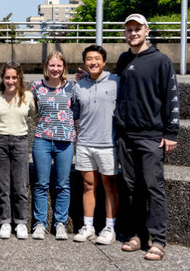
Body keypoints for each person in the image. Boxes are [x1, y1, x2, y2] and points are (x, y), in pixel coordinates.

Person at [116, 14, 179, 261]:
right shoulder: (123, 60)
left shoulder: (161, 60)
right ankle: (137, 234)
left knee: (153, 187)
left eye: (137, 29)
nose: (133, 33)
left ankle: (159, 240)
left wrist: (171, 132)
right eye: (129, 29)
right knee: (131, 188)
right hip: (126, 135)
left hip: (151, 135)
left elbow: (171, 96)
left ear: (146, 31)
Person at [71, 45, 119, 245]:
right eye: (89, 59)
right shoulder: (79, 86)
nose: (93, 62)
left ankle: (109, 228)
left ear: (104, 62)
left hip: (108, 144)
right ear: (84, 63)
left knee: (110, 185)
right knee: (88, 185)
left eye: (97, 58)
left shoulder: (117, 81)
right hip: (84, 143)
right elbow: (74, 112)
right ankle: (88, 226)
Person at [30, 51, 76, 240]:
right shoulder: (36, 87)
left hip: (64, 141)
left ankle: (60, 223)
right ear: (46, 67)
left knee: (63, 185)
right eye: (52, 65)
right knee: (41, 183)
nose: (55, 69)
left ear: (64, 67)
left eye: (59, 66)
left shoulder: (72, 87)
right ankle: (40, 223)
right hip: (42, 139)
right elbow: (33, 110)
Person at [0, 62, 36, 239]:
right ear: (2, 78)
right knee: (3, 185)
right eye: (7, 77)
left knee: (20, 185)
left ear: (19, 78)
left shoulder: (27, 96)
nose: (11, 81)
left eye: (14, 77)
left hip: (20, 141)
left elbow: (35, 115)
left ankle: (21, 221)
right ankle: (5, 222)